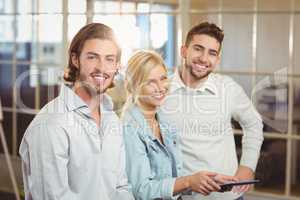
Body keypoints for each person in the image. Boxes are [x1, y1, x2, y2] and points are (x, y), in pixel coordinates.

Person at [19, 23, 134, 200]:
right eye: (92, 57)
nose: (102, 68)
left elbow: (121, 186)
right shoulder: (51, 124)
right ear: (75, 59)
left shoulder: (111, 119)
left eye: (109, 59)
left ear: (117, 65)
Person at [159, 22, 264, 200]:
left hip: (227, 196)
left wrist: (248, 166)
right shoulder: (161, 90)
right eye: (198, 49)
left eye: (212, 53)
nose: (204, 58)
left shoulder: (228, 88)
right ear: (184, 51)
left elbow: (253, 123)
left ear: (218, 59)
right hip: (180, 196)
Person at [122, 50, 236, 200]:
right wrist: (189, 181)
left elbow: (172, 179)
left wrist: (206, 181)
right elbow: (141, 190)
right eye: (150, 82)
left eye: (163, 78)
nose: (161, 87)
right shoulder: (129, 129)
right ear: (134, 86)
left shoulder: (163, 119)